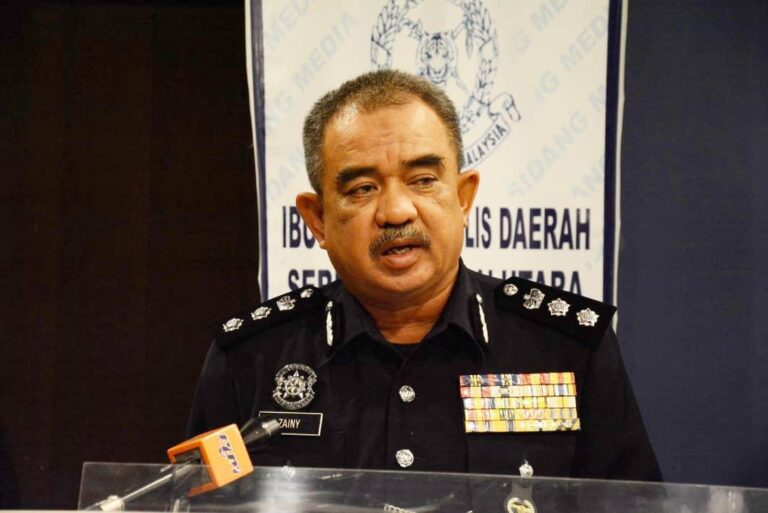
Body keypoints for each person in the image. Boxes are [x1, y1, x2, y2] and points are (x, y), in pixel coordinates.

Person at [187, 69, 661, 481]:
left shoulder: (568, 348)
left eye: (423, 180)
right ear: (318, 220)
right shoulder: (251, 359)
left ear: (463, 198)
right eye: (362, 188)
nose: (396, 211)